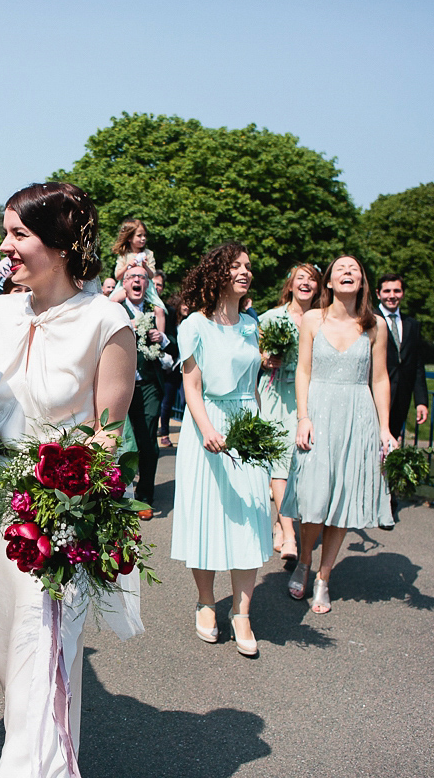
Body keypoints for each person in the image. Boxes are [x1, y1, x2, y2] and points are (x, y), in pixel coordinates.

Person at [0, 182, 138, 778]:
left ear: (61, 245)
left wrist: (64, 497)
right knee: (11, 654)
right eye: (5, 233)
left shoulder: (107, 323)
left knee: (44, 657)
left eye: (19, 234)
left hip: (57, 516)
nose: (5, 247)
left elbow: (108, 434)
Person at [280, 255, 398, 614]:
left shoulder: (375, 325)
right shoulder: (313, 319)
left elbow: (379, 379)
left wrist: (385, 429)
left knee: (342, 504)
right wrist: (303, 417)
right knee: (314, 500)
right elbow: (303, 371)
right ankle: (304, 560)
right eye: (340, 269)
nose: (348, 272)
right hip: (319, 413)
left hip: (357, 416)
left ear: (362, 283)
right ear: (328, 282)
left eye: (355, 270)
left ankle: (323, 579)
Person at [170, 242, 271, 658]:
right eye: (235, 266)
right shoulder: (194, 325)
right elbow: (191, 387)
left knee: (249, 516)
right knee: (208, 517)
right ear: (217, 274)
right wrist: (208, 429)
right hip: (207, 425)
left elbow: (253, 383)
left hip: (247, 423)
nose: (245, 271)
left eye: (247, 266)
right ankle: (207, 601)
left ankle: (243, 612)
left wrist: (263, 433)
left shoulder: (251, 324)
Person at [256, 264, 321, 561]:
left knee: (299, 466)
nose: (306, 283)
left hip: (306, 399)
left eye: (312, 280)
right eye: (301, 279)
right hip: (276, 395)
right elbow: (253, 355)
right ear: (291, 285)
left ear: (319, 287)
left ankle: (281, 526)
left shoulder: (324, 320)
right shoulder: (271, 318)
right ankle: (291, 537)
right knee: (279, 465)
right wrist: (266, 360)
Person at [120, 264, 170, 519]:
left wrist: (161, 338)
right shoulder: (116, 310)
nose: (137, 281)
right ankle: (122, 492)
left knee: (148, 438)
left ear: (148, 285)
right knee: (125, 441)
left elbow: (170, 346)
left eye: (142, 277)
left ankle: (146, 496)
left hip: (149, 382)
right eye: (132, 277)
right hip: (122, 383)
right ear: (124, 284)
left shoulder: (156, 310)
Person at [377, 274, 429, 440]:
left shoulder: (412, 325)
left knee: (390, 450)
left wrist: (421, 401)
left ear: (403, 293)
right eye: (387, 291)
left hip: (401, 399)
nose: (392, 295)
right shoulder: (369, 320)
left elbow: (417, 365)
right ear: (378, 294)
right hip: (374, 396)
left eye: (397, 291)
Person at [108, 219, 166, 333]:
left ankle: (160, 338)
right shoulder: (124, 255)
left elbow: (151, 275)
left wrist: (145, 265)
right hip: (125, 287)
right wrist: (127, 266)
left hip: (147, 288)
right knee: (113, 301)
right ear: (130, 238)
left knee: (160, 309)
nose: (143, 238)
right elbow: (118, 276)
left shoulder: (149, 254)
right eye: (139, 236)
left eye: (145, 235)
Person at [154, 272, 183, 448]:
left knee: (167, 401)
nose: (157, 288)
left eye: (160, 285)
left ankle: (163, 432)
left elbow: (173, 342)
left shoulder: (168, 311)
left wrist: (163, 339)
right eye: (154, 284)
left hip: (167, 366)